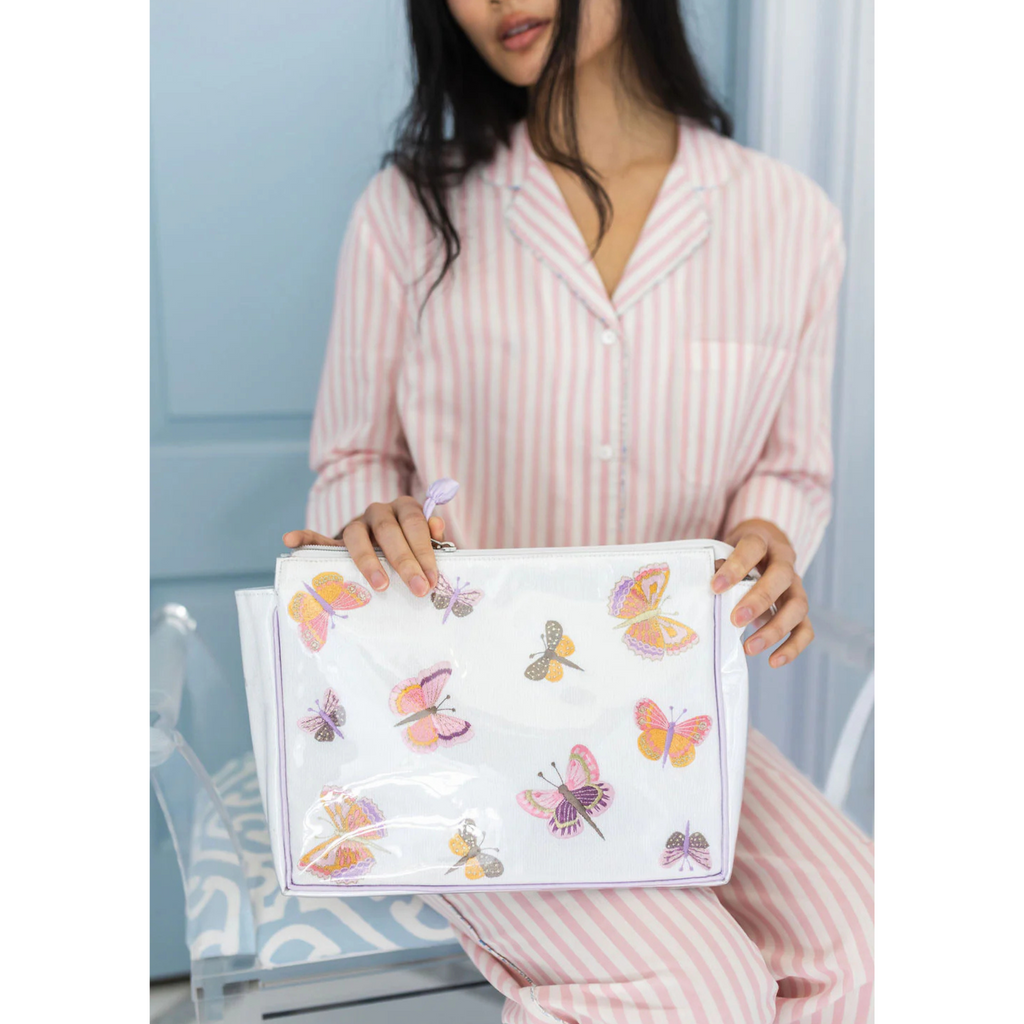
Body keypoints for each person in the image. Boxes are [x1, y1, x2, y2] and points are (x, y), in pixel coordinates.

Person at [283, 2, 873, 1021]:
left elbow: (790, 469)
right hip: (458, 713)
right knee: (699, 990)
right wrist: (369, 523)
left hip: (670, 714)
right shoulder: (407, 212)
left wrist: (769, 536)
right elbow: (354, 456)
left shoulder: (790, 220)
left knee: (871, 943)